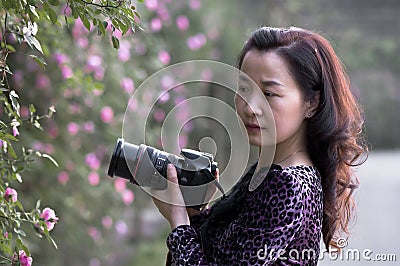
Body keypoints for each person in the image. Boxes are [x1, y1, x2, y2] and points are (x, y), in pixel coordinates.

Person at [151, 26, 367, 265]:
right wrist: (195, 213)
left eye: (268, 93)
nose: (250, 107)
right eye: (244, 89)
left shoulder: (287, 186)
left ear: (312, 103)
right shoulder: (268, 172)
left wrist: (178, 221)